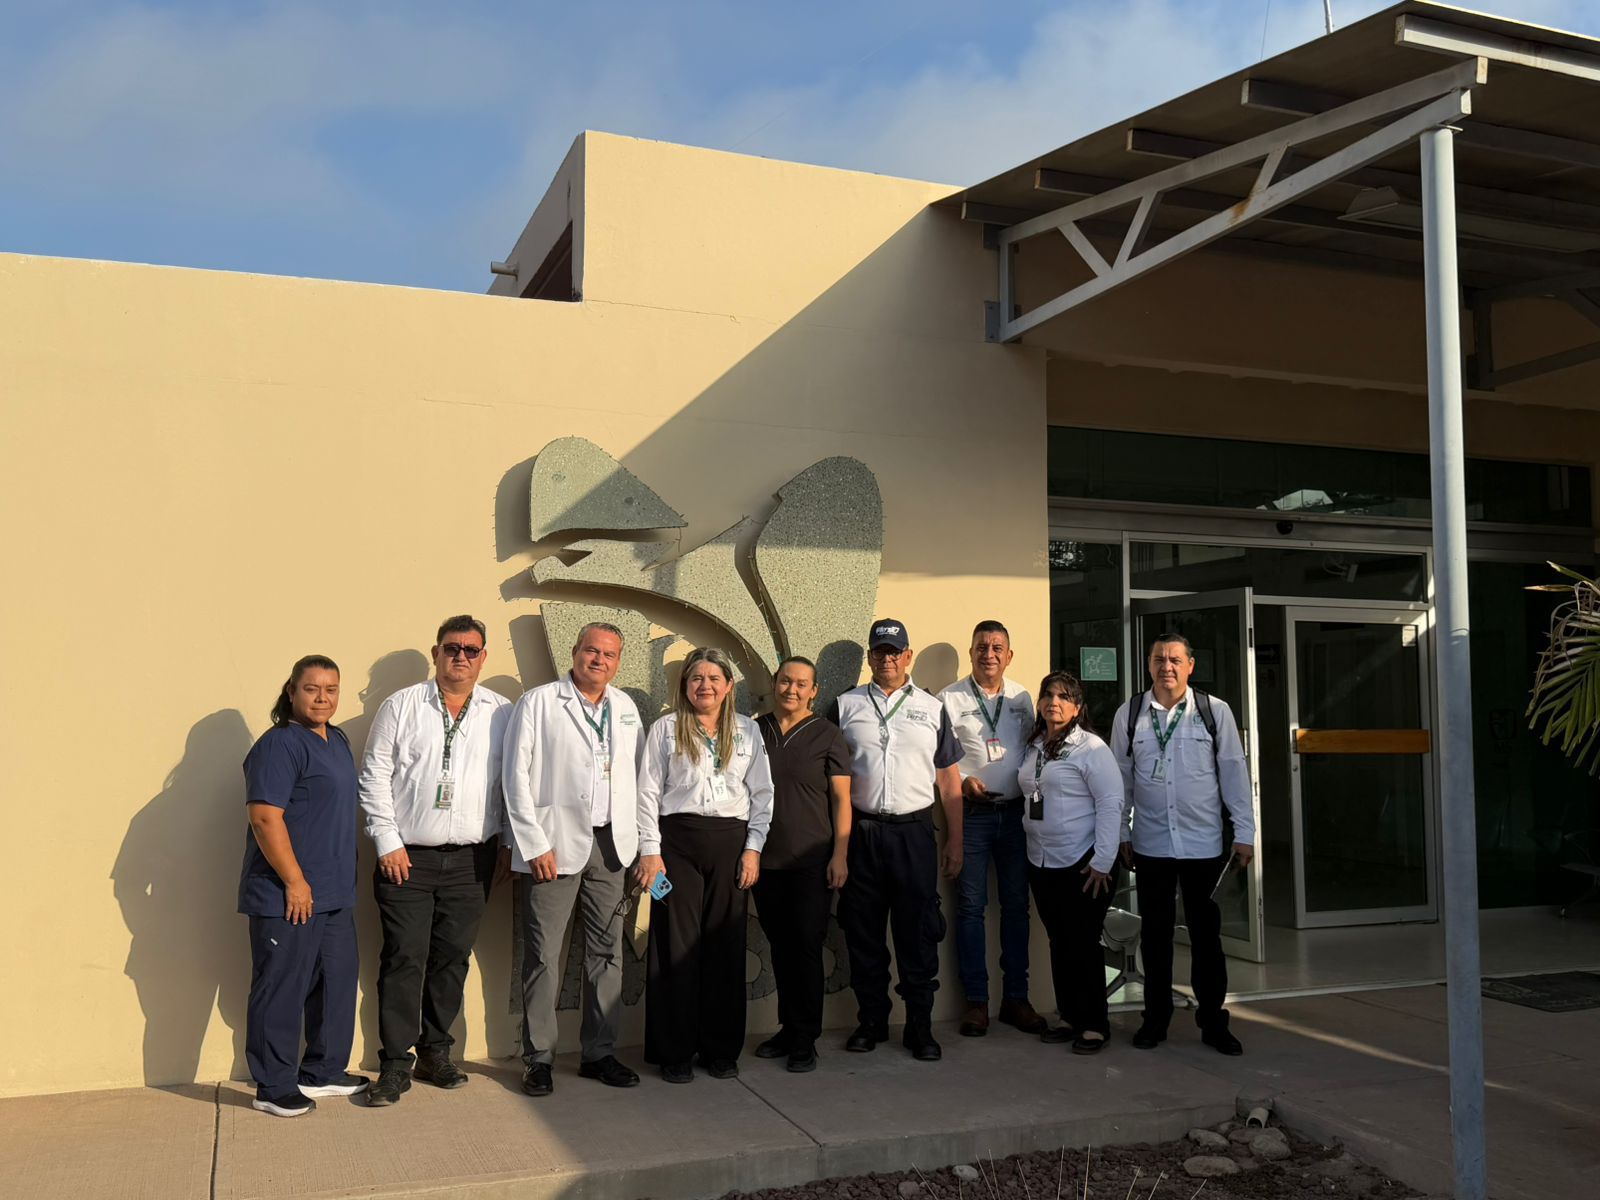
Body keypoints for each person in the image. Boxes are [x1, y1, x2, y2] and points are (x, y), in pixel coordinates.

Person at [358, 616, 513, 1107]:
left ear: (483, 657)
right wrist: (387, 841)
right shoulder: (401, 705)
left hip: (473, 860)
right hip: (408, 858)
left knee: (451, 958)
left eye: (471, 649)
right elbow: (374, 776)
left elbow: (513, 784)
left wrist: (507, 843)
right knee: (404, 956)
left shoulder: (502, 712)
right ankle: (395, 1063)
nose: (460, 657)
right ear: (436, 653)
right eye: (452, 648)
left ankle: (435, 1052)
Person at [504, 622, 646, 1097]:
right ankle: (539, 1058)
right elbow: (514, 777)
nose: (599, 660)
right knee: (544, 955)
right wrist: (533, 843)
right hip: (554, 847)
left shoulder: (625, 708)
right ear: (575, 652)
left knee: (608, 953)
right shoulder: (539, 702)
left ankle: (599, 1053)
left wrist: (643, 845)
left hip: (611, 848)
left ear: (618, 662)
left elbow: (638, 780)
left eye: (609, 654)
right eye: (591, 650)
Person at [634, 646, 774, 1083]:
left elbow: (762, 794)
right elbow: (647, 793)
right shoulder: (665, 728)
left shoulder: (748, 731)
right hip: (676, 847)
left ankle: (720, 1049)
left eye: (714, 678)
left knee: (724, 946)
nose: (705, 685)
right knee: (673, 947)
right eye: (696, 678)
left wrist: (753, 848)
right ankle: (674, 1049)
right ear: (685, 685)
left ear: (729, 686)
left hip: (731, 845)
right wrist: (650, 851)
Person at [1111, 632, 1255, 1056]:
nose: (1166, 666)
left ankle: (1213, 1023)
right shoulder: (1130, 713)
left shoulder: (1213, 712)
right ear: (1149, 664)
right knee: (1155, 938)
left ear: (1191, 665)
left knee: (1206, 939)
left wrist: (1244, 833)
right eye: (1159, 659)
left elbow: (1233, 772)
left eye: (1175, 659)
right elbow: (1120, 778)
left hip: (1202, 845)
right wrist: (1121, 832)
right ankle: (1155, 1020)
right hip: (1151, 844)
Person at [237, 654, 368, 1117]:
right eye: (311, 688)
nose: (322, 698)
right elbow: (264, 817)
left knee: (336, 982)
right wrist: (294, 881)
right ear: (292, 691)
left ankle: (323, 1071)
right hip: (287, 895)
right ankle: (273, 1087)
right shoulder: (279, 745)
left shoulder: (337, 739)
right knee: (281, 989)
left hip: (333, 893)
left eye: (331, 689)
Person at [828, 618, 963, 1062]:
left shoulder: (932, 707)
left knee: (917, 933)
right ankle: (872, 1021)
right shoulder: (845, 706)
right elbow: (833, 780)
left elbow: (949, 782)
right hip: (862, 833)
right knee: (863, 932)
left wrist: (956, 840)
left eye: (894, 652)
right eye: (879, 651)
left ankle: (919, 1026)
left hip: (914, 834)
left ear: (908, 656)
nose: (887, 659)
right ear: (870, 657)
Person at [939, 621, 1046, 1039]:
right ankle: (977, 1002)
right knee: (970, 908)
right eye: (982, 647)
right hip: (972, 816)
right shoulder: (950, 698)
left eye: (997, 647)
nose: (989, 654)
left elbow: (1034, 749)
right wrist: (965, 781)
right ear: (971, 653)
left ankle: (1016, 999)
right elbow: (939, 761)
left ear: (1009, 656)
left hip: (1017, 817)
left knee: (1017, 908)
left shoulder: (1022, 698)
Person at [752, 656, 852, 1073]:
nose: (791, 689)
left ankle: (805, 1038)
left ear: (814, 691)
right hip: (766, 861)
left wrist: (840, 855)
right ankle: (788, 1027)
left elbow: (841, 799)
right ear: (775, 683)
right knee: (779, 946)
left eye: (801, 684)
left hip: (812, 860)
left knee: (806, 947)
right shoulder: (755, 730)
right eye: (785, 681)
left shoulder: (828, 735)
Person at [1018, 671, 1125, 1054]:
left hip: (1084, 863)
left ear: (1078, 707)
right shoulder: (1034, 746)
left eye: (1064, 697)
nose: (1054, 702)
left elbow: (1111, 803)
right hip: (1042, 861)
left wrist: (1103, 861)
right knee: (1059, 941)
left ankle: (1095, 1023)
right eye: (1048, 695)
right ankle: (1069, 1015)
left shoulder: (1091, 748)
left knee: (1083, 942)